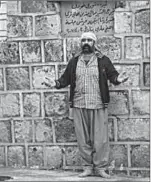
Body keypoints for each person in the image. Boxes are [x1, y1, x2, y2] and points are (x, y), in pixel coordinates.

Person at [43, 32, 128, 178]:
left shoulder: (103, 60)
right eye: (83, 40)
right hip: (79, 104)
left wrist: (118, 79)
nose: (86, 43)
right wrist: (55, 83)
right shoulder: (74, 61)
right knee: (83, 139)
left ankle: (100, 168)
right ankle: (87, 167)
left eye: (89, 40)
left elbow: (112, 75)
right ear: (80, 43)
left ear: (94, 43)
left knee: (100, 139)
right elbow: (64, 80)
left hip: (98, 104)